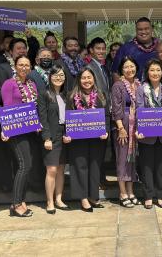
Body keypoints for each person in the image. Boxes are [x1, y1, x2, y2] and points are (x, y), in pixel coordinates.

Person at [64, 68, 109, 212]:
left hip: (97, 138)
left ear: (94, 79)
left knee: (95, 167)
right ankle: (83, 198)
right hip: (78, 139)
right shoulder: (72, 96)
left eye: (89, 77)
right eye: (83, 78)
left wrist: (106, 131)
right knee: (80, 167)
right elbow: (68, 118)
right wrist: (68, 133)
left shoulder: (101, 95)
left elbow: (107, 115)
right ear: (79, 80)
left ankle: (93, 196)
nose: (87, 80)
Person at [136, 59, 162, 209]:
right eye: (152, 70)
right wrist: (139, 129)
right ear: (147, 72)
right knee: (147, 167)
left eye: (158, 70)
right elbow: (139, 110)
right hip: (147, 136)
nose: (155, 73)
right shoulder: (141, 89)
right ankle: (148, 196)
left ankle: (160, 195)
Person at [1, 55, 38, 217]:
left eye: (27, 65)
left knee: (22, 166)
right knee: (25, 165)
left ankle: (20, 200)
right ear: (15, 66)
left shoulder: (32, 84)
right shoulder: (9, 84)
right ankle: (16, 204)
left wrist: (37, 124)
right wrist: (5, 129)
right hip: (15, 129)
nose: (24, 67)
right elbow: (7, 107)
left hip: (29, 130)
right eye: (20, 65)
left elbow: (33, 107)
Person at [37, 64, 70, 214]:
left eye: (61, 75)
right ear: (50, 77)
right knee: (51, 169)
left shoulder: (67, 94)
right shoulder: (44, 94)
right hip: (51, 136)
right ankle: (49, 201)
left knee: (61, 169)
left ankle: (59, 199)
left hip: (65, 135)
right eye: (55, 75)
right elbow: (42, 118)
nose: (59, 78)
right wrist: (46, 138)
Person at [111, 56, 141, 208]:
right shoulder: (118, 85)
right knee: (122, 159)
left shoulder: (138, 84)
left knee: (132, 160)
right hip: (123, 126)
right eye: (126, 67)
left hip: (136, 127)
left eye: (132, 66)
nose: (130, 69)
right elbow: (116, 108)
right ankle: (122, 193)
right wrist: (120, 128)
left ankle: (131, 191)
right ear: (122, 70)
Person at [86, 37, 111, 184]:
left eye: (103, 48)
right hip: (95, 113)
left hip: (106, 112)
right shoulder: (89, 68)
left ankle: (101, 178)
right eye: (98, 49)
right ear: (91, 50)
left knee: (103, 148)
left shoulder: (104, 67)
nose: (101, 51)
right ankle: (96, 181)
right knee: (96, 150)